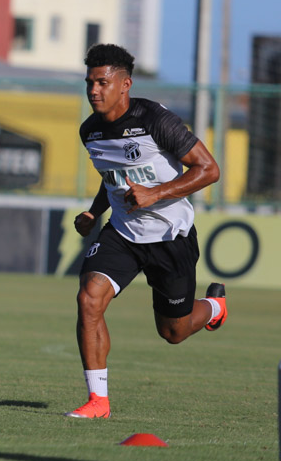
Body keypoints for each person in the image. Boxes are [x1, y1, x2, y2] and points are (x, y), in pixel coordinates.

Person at [65, 43, 228, 419]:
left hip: (171, 236)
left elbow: (209, 169)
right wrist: (93, 213)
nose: (93, 90)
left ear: (125, 84)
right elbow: (114, 179)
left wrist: (156, 193)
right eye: (89, 82)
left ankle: (215, 307)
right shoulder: (89, 131)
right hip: (122, 233)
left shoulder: (155, 119)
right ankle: (98, 402)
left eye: (102, 82)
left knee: (174, 331)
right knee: (89, 299)